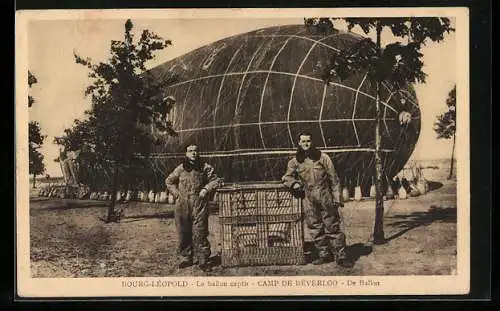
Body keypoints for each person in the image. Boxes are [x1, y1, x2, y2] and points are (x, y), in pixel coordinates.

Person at [281, 131, 349, 266]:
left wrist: (337, 197)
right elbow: (286, 177)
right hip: (308, 197)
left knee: (332, 226)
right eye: (303, 141)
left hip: (325, 196)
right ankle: (324, 254)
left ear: (312, 142)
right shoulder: (295, 161)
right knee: (314, 226)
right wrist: (293, 183)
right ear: (299, 143)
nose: (306, 144)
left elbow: (334, 179)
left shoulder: (323, 158)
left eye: (308, 141)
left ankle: (341, 256)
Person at [165, 144, 222, 272]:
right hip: (182, 204)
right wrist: (176, 194)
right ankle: (186, 258)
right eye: (190, 151)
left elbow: (215, 180)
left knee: (200, 232)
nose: (193, 153)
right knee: (183, 232)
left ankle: (203, 260)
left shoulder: (205, 167)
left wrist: (206, 189)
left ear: (199, 152)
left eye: (196, 151)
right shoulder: (180, 169)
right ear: (186, 153)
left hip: (199, 203)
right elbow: (168, 181)